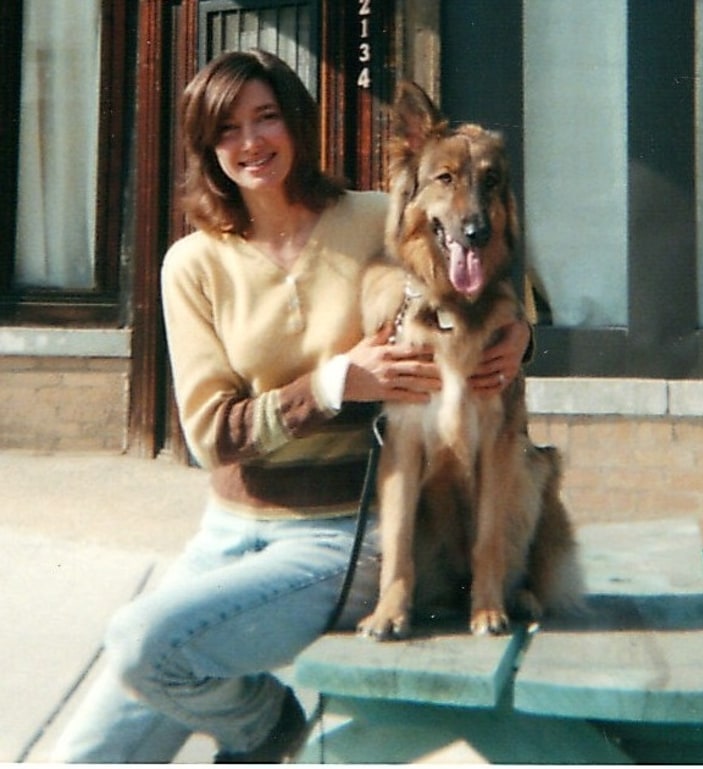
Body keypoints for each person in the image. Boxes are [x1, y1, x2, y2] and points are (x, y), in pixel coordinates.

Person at [52, 49, 531, 763]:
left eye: (266, 117)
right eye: (228, 129)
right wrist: (335, 383)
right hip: (229, 530)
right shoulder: (193, 264)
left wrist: (523, 334)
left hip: (341, 532)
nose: (251, 142)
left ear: (296, 125)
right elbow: (211, 434)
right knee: (86, 748)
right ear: (208, 148)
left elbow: (490, 258)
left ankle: (264, 730)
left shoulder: (371, 217)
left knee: (142, 644)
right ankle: (269, 727)